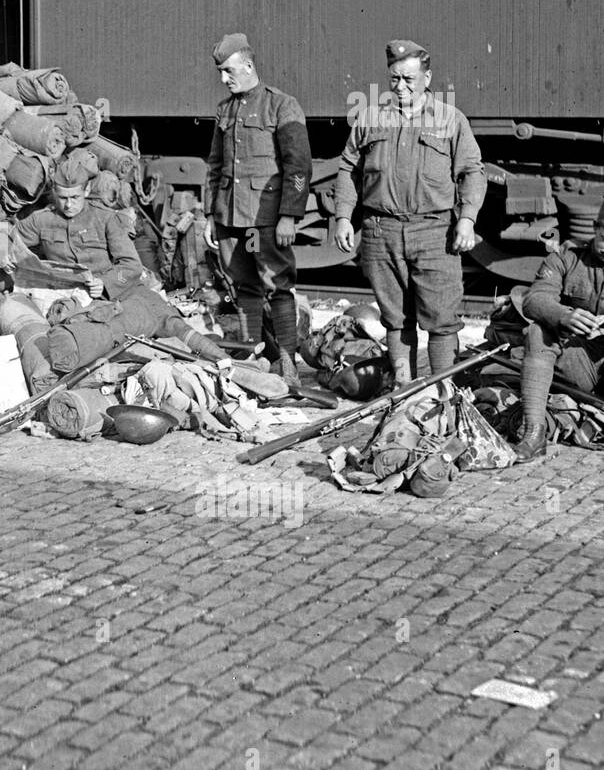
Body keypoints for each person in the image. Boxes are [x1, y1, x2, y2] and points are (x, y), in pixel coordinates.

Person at [334, 40, 486, 385]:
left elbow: (472, 172)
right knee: (396, 318)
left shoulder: (450, 119)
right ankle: (404, 391)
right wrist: (344, 216)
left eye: (409, 79)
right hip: (380, 231)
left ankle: (442, 394)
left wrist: (467, 219)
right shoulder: (370, 117)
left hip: (433, 233)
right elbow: (348, 169)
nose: (400, 87)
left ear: (427, 78)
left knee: (441, 318)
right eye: (394, 79)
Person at [203, 32, 312, 388]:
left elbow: (298, 168)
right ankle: (253, 356)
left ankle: (288, 361)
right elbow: (215, 165)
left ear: (248, 65)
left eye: (228, 70)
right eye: (220, 71)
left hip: (262, 223)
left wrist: (289, 215)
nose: (224, 78)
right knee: (246, 286)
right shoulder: (225, 110)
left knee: (277, 286)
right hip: (234, 223)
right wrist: (209, 214)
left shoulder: (281, 105)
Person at [510, 201, 604, 461]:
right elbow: (534, 299)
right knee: (536, 332)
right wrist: (565, 316)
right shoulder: (567, 256)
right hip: (578, 359)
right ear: (595, 228)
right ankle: (533, 433)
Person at [14, 165, 144, 300]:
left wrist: (105, 283)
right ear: (54, 192)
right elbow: (5, 238)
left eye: (75, 197)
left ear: (86, 190)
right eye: (62, 198)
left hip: (102, 296)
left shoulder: (106, 218)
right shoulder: (42, 219)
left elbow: (132, 265)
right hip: (59, 295)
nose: (69, 205)